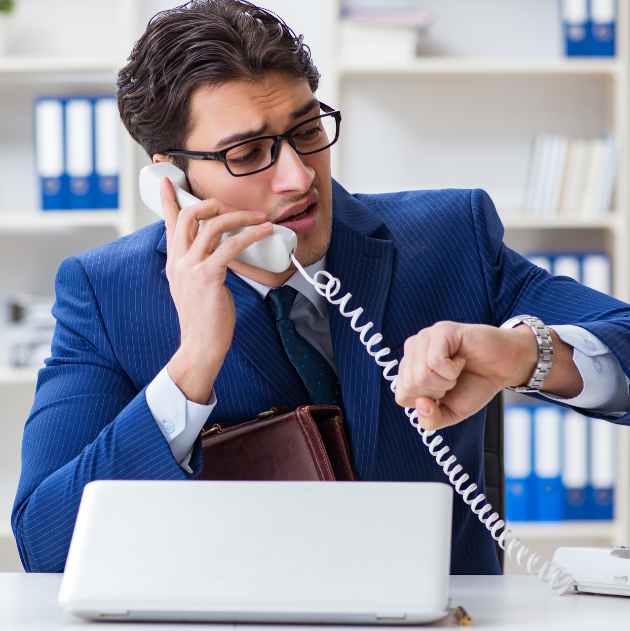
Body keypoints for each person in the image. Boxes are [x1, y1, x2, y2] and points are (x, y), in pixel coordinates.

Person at [12, 0, 630, 574]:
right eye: (248, 152)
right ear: (171, 182)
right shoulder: (104, 292)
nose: (298, 176)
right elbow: (45, 545)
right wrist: (193, 364)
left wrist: (528, 354)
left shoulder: (449, 237)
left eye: (308, 130)